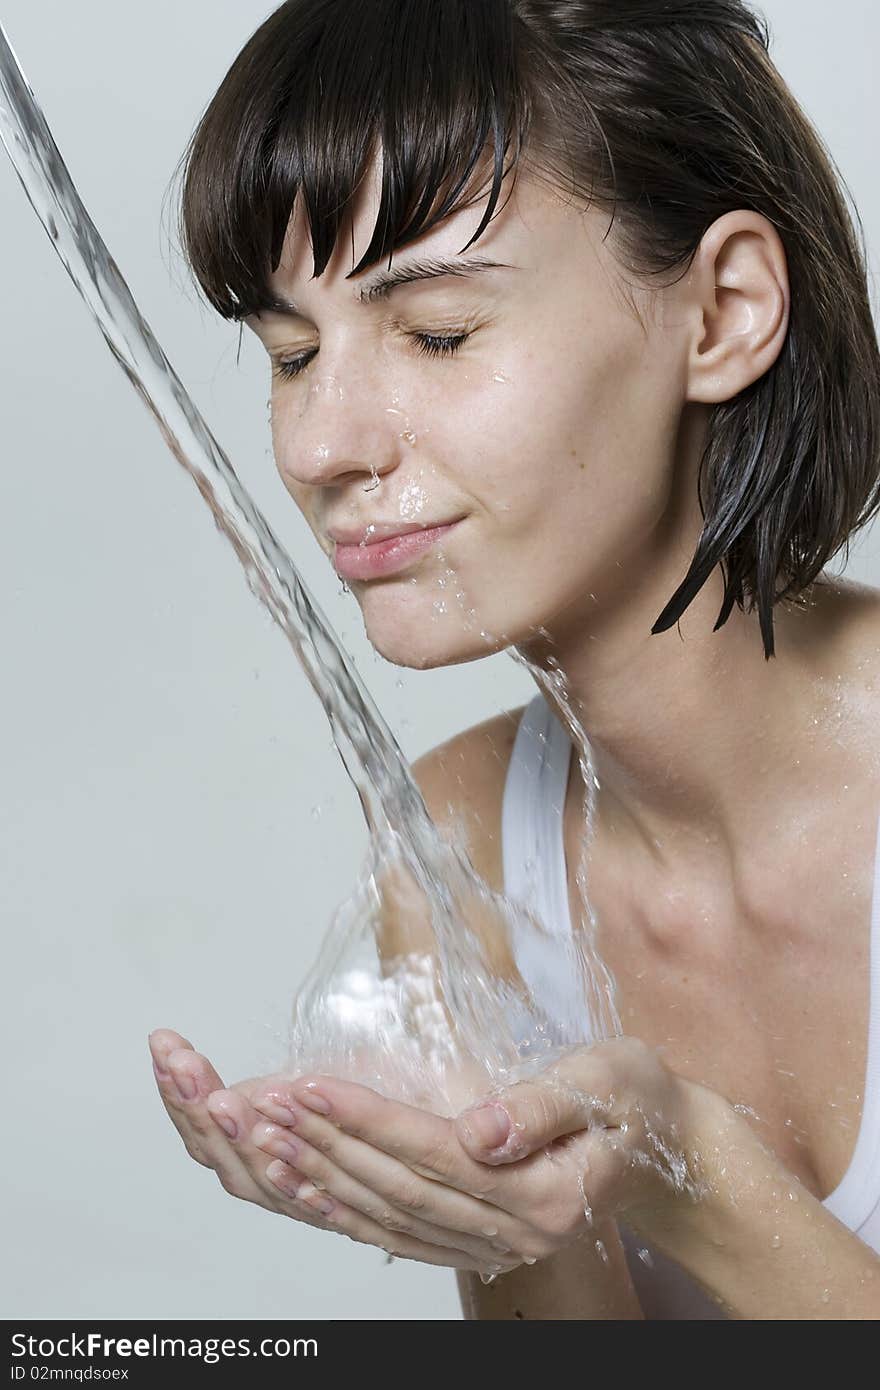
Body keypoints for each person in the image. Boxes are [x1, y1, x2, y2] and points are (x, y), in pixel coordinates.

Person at [148, 0, 880, 1317]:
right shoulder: (459, 848)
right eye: (291, 353)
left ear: (725, 312)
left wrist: (681, 1167)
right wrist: (512, 1206)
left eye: (436, 334)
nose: (320, 446)